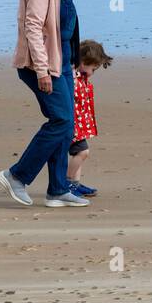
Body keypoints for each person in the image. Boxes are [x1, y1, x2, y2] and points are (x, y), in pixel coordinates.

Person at [0, 0, 89, 207]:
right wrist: (42, 71)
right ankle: (17, 175)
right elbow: (33, 29)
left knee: (67, 124)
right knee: (60, 121)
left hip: (62, 61)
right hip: (42, 65)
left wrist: (74, 62)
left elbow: (65, 30)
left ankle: (58, 188)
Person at [67, 39, 112, 197]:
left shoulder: (81, 78)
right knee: (83, 152)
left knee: (77, 154)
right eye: (93, 68)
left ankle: (74, 184)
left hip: (80, 125)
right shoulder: (72, 78)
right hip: (72, 126)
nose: (93, 73)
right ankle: (67, 182)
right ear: (83, 62)